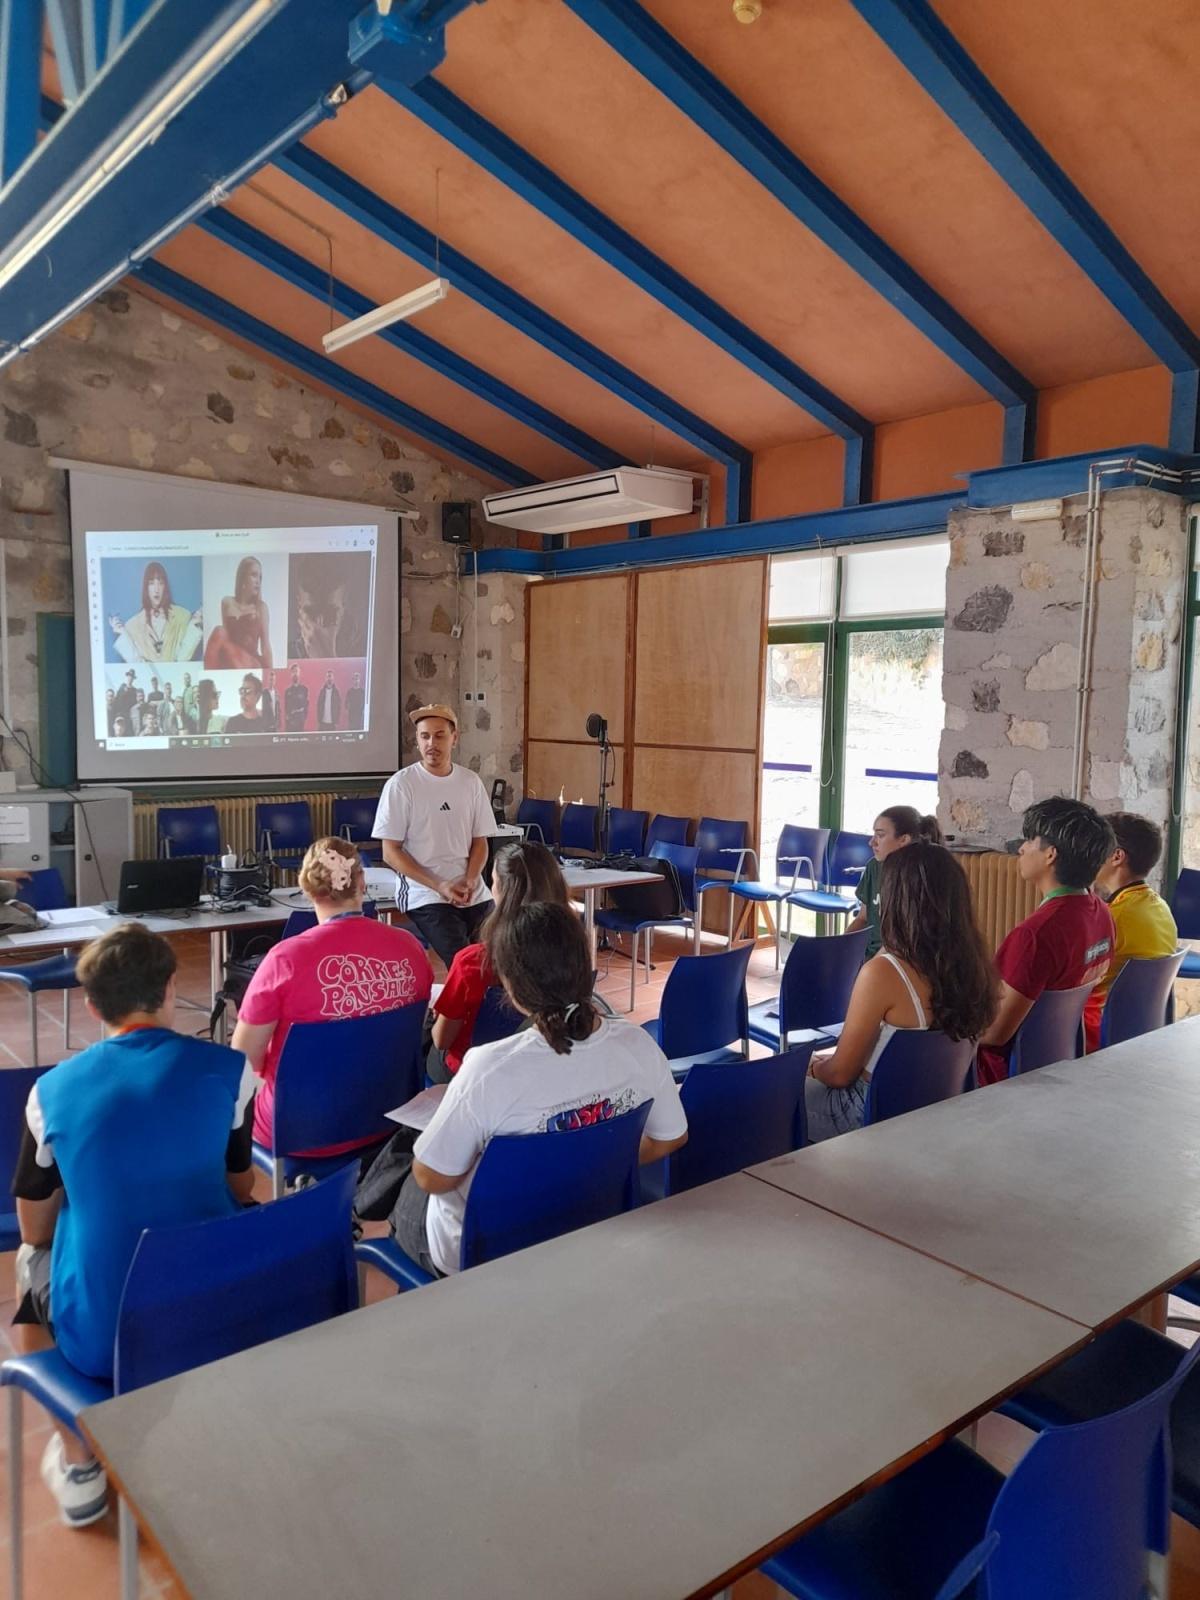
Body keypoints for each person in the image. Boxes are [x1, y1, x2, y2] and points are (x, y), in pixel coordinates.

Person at [9, 924, 254, 1525]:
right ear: (172, 987)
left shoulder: (49, 1092)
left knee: (26, 1262)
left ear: (91, 1005)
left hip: (106, 1339)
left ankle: (80, 1457)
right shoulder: (231, 1070)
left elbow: (35, 1227)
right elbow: (241, 1185)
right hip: (223, 1314)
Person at [368, 901, 687, 1277]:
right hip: (586, 1217)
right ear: (585, 969)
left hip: (482, 1248)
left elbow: (432, 1177)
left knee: (411, 1172)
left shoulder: (489, 1068)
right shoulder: (638, 1045)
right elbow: (670, 1138)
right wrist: (583, 1166)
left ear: (513, 988)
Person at [232, 838, 432, 1160]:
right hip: (390, 1114)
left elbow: (243, 1060)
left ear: (306, 889)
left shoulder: (285, 959)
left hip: (300, 1128)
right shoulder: (410, 947)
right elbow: (407, 1033)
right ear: (362, 883)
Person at [804, 843, 996, 1142]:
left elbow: (841, 1075)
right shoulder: (973, 963)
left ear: (897, 899)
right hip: (933, 1105)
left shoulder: (883, 973)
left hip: (869, 1112)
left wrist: (812, 1067)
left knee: (766, 1096)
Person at [975, 797, 1116, 1086]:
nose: (1021, 848)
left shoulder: (1035, 935)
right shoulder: (1101, 912)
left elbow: (994, 1034)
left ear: (1050, 854)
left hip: (1008, 1071)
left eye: (1029, 840)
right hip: (1060, 1056)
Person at [429, 840, 568, 1082]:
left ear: (502, 892)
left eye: (492, 882)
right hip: (540, 1064)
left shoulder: (473, 962)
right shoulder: (571, 951)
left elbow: (442, 1040)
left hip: (472, 1073)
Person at [373, 704, 496, 965]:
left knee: (500, 958)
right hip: (425, 893)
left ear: (454, 738)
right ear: (417, 740)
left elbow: (480, 841)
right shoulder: (402, 784)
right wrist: (440, 885)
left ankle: (493, 1005)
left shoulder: (470, 782)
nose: (432, 743)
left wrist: (472, 879)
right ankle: (463, 1006)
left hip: (472, 890)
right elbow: (390, 851)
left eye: (439, 735)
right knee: (466, 963)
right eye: (424, 736)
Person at [1084, 812, 1178, 1051]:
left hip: (1097, 1030)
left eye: (1097, 847)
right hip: (1140, 1029)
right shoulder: (1160, 907)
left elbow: (1073, 981)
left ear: (1117, 857)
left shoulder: (1114, 917)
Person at [847, 807, 943, 959]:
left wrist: (870, 968)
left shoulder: (918, 876)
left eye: (880, 835)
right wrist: (838, 948)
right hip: (873, 957)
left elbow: (903, 940)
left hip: (900, 960)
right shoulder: (873, 867)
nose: (872, 842)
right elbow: (862, 918)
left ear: (903, 840)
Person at [108, 560, 201, 664]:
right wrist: (122, 633)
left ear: (165, 587)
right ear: (146, 588)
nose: (156, 589)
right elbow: (137, 664)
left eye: (160, 583)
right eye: (151, 583)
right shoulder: (133, 626)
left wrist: (194, 625)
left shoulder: (182, 617)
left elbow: (182, 660)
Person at [204, 556, 272, 671]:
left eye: (260, 577)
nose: (258, 581)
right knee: (220, 631)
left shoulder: (261, 608)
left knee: (222, 636)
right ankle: (209, 679)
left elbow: (265, 646)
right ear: (243, 577)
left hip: (251, 661)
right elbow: (224, 639)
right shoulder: (227, 602)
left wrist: (271, 673)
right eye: (254, 575)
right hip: (232, 657)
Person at [284, 663, 309, 732]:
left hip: (300, 724)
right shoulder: (287, 691)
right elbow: (286, 708)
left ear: (299, 673)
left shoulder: (304, 689)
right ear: (291, 675)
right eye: (293, 672)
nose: (295, 674)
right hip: (290, 724)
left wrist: (302, 718)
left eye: (296, 671)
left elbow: (306, 706)